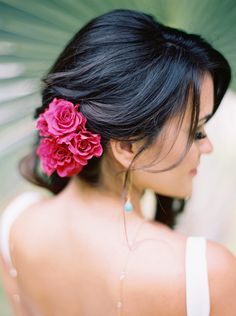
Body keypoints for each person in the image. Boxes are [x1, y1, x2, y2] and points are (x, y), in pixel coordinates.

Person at [0, 8, 236, 316]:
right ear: (126, 146)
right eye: (197, 131)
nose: (208, 147)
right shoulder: (205, 275)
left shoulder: (15, 222)